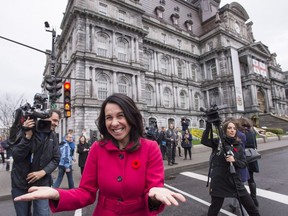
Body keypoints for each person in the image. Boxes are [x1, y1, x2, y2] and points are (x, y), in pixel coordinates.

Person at [14, 93, 186, 215]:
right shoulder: (97, 148)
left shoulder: (151, 147)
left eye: (121, 116)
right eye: (109, 117)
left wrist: (156, 195)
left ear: (132, 117)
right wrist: (57, 193)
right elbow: (86, 192)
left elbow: (154, 190)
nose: (115, 123)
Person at [201, 119, 260, 216]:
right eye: (229, 128)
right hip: (219, 180)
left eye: (234, 128)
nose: (232, 130)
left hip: (235, 180)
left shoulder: (239, 146)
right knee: (215, 208)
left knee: (252, 208)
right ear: (225, 130)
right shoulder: (218, 143)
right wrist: (208, 125)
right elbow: (204, 140)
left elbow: (243, 163)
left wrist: (234, 161)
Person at [11, 109, 61, 216]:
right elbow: (16, 156)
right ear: (44, 118)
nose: (55, 124)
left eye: (57, 121)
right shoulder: (24, 131)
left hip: (42, 184)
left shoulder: (53, 136)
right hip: (20, 184)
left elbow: (56, 159)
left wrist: (43, 172)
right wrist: (27, 137)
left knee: (42, 213)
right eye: (54, 120)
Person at [238, 117, 260, 208]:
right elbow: (255, 144)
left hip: (244, 156)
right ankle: (254, 198)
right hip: (253, 156)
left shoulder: (241, 133)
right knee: (251, 179)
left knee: (241, 179)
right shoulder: (252, 131)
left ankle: (242, 201)